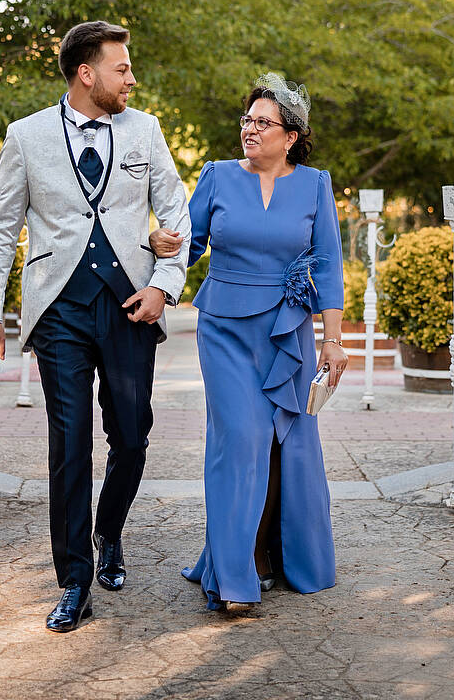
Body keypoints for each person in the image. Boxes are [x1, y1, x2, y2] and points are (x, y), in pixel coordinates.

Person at [0, 21, 191, 633]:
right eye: (121, 68)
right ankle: (73, 580)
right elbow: (2, 226)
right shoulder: (26, 136)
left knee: (132, 434)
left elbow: (175, 210)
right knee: (67, 445)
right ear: (85, 74)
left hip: (130, 305)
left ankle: (110, 531)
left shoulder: (145, 129)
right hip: (61, 309)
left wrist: (163, 285)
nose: (131, 77)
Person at [150, 73, 347, 610]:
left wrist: (332, 340)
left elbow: (327, 264)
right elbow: (185, 247)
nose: (251, 129)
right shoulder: (216, 176)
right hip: (225, 330)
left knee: (293, 444)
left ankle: (284, 560)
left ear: (291, 137)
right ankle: (234, 579)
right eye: (248, 120)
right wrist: (158, 248)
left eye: (264, 122)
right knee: (240, 439)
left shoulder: (314, 185)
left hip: (289, 333)